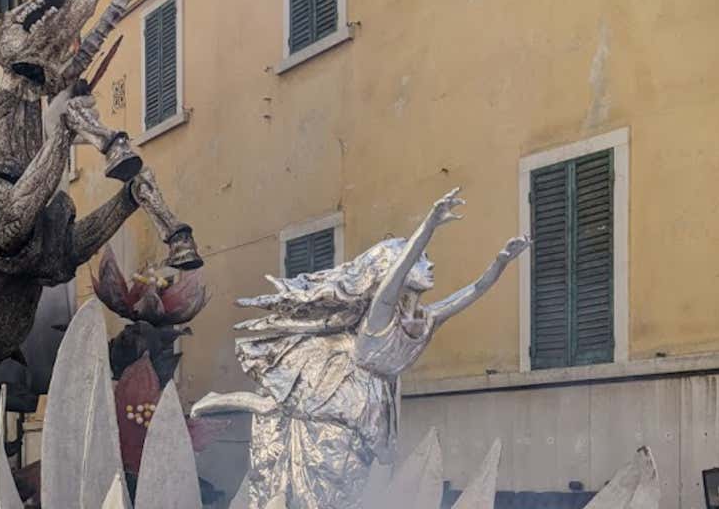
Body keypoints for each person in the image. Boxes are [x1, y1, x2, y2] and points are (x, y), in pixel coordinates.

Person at [191, 188, 529, 508]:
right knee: (319, 479)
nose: (431, 266)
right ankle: (220, 401)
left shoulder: (425, 318)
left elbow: (470, 293)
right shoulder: (378, 318)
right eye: (422, 260)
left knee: (341, 477)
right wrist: (428, 226)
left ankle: (221, 400)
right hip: (336, 397)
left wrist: (500, 263)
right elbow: (391, 281)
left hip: (367, 407)